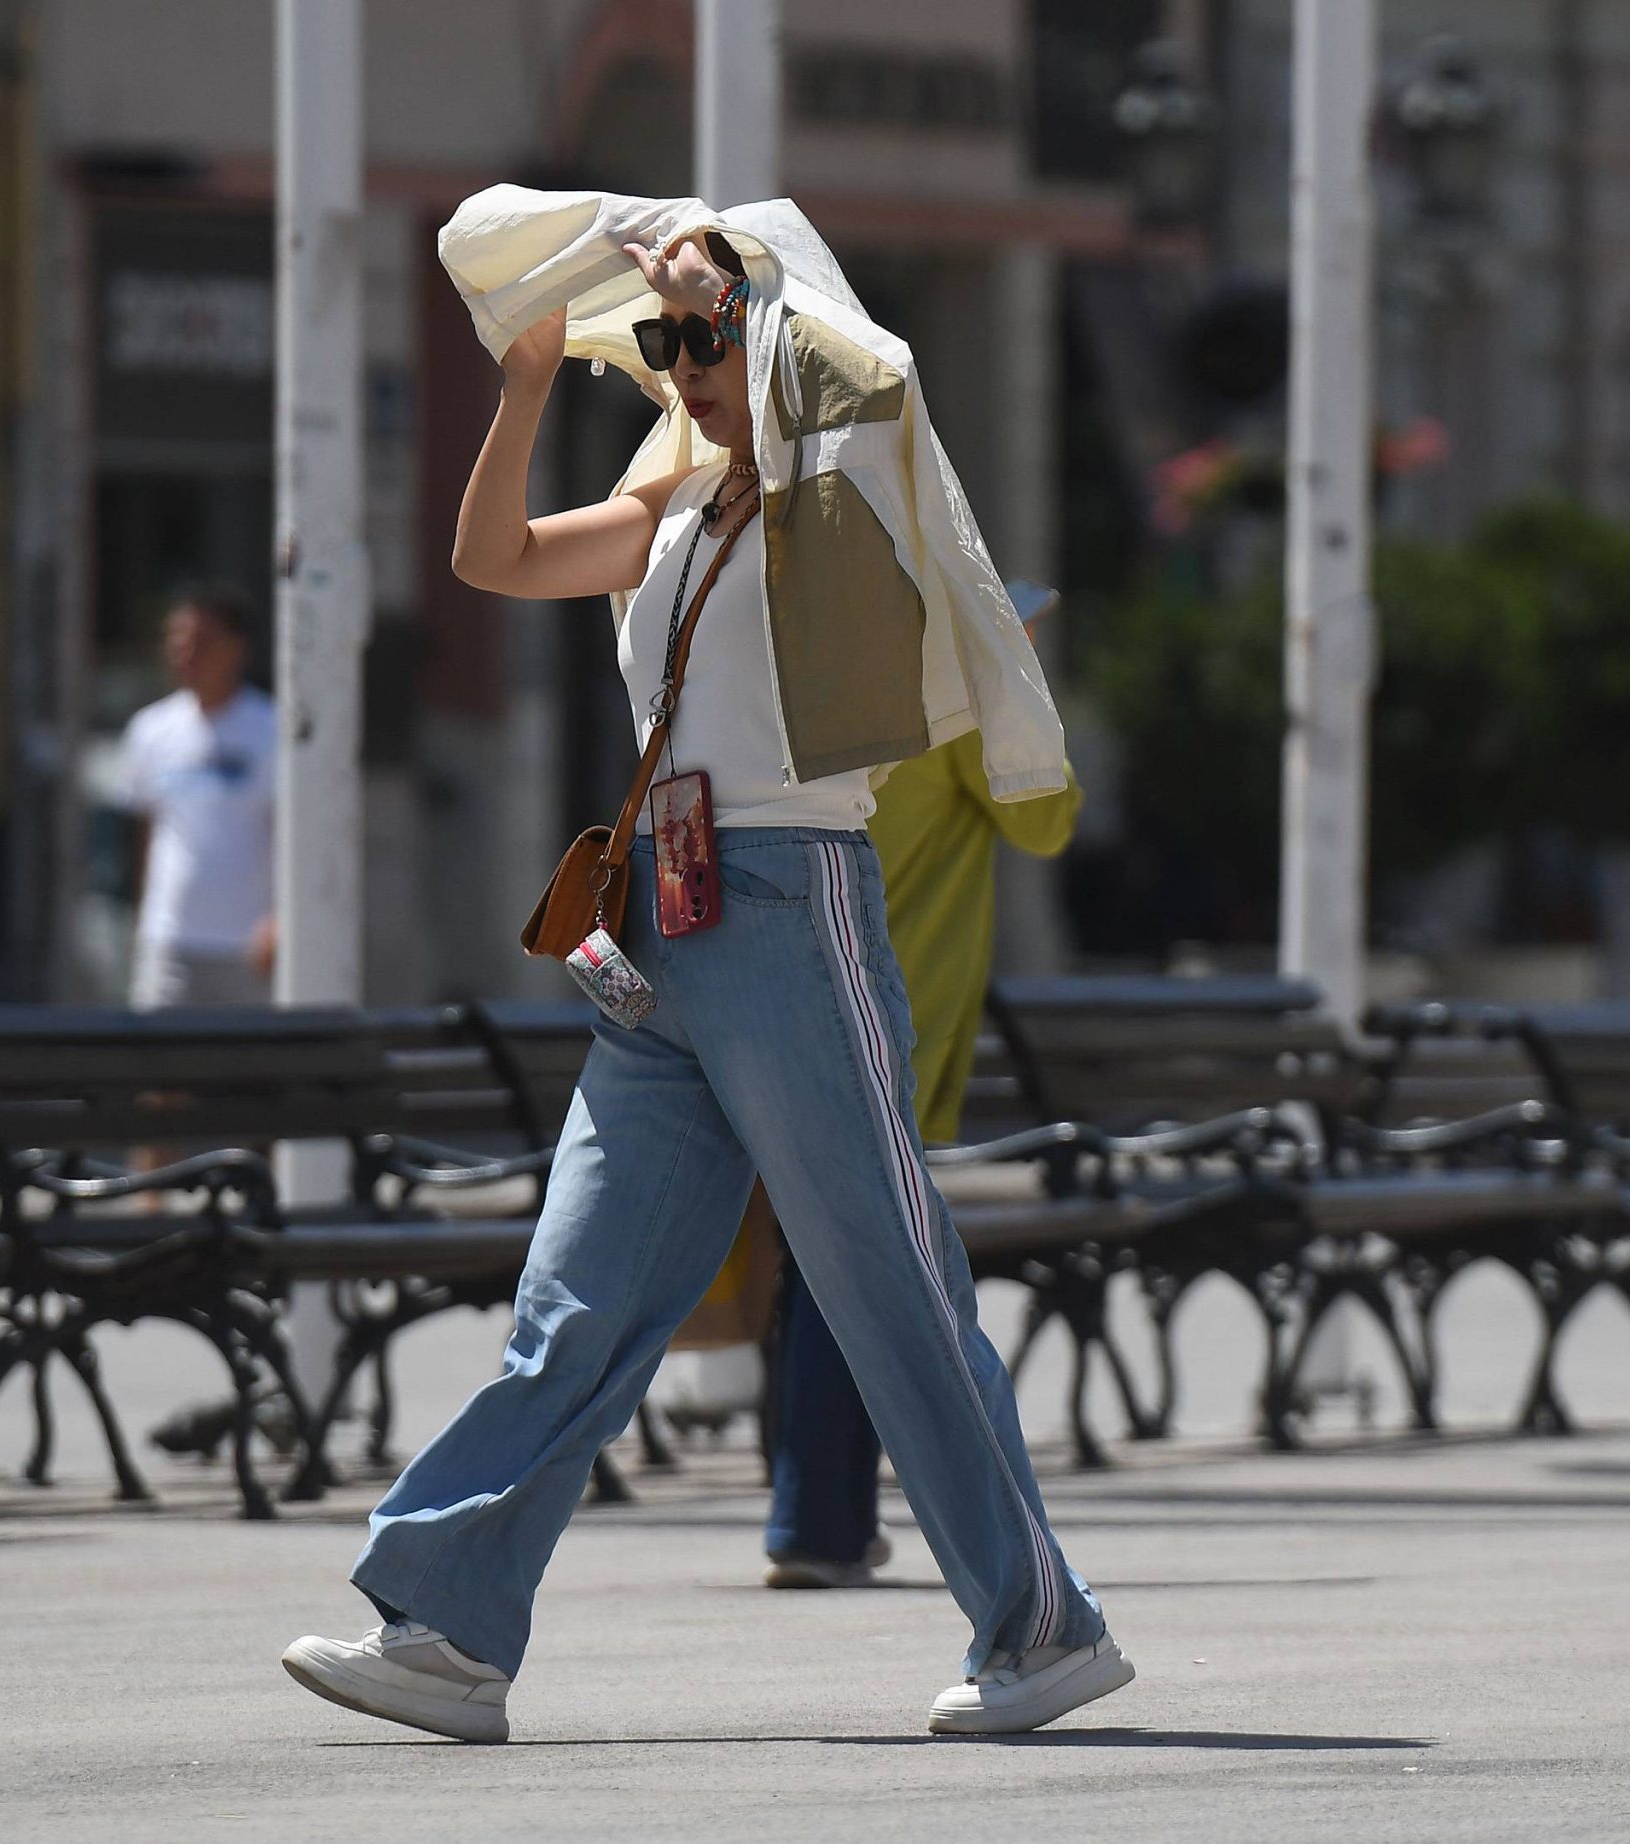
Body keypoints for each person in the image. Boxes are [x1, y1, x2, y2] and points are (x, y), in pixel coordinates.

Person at [281, 188, 1128, 1742]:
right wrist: (528, 383)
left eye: (712, 337)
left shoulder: (844, 491)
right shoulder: (672, 513)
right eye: (666, 344)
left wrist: (722, 281)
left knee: (886, 1280)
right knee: (579, 1296)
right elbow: (490, 556)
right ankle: (448, 1631)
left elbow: (861, 372)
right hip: (666, 931)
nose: (689, 365)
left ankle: (1043, 1627)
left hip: (794, 901)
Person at [765, 726, 1083, 1587]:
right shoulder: (955, 713)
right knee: (856, 1253)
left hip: (778, 990)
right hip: (895, 1010)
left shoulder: (807, 695)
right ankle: (817, 1523)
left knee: (827, 1247)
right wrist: (1016, 692)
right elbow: (1046, 819)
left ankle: (829, 1516)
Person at [88, 588, 277, 1009]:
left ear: (237, 648)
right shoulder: (151, 730)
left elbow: (289, 833)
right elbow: (144, 833)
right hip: (170, 944)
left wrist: (281, 921)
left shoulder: (273, 729)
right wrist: (144, 922)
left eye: (201, 642)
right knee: (162, 1049)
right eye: (176, 641)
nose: (185, 654)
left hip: (248, 947)